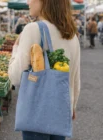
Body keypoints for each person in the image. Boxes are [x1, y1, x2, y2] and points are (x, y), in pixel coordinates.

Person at [8, 0, 80, 140]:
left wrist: (15, 48)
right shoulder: (72, 35)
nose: (28, 2)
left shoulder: (33, 29)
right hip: (62, 110)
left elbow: (15, 77)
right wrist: (72, 106)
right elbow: (75, 78)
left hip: (37, 111)